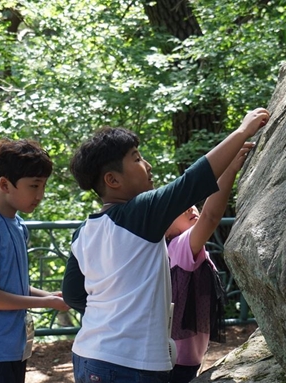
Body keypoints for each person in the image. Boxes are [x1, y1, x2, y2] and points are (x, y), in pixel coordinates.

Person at [62, 108, 270, 383]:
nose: (147, 165)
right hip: (131, 364)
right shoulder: (140, 212)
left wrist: (111, 315)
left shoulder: (84, 231)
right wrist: (243, 130)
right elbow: (192, 182)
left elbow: (73, 294)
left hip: (88, 355)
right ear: (113, 180)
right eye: (136, 158)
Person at [0, 138, 70, 383]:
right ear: (4, 184)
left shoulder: (18, 225)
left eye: (43, 186)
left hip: (13, 346)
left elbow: (11, 285)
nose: (40, 195)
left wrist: (49, 296)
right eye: (34, 186)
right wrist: (48, 303)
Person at [165, 143, 254, 383]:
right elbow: (211, 216)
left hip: (178, 360)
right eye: (179, 207)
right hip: (177, 365)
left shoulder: (176, 249)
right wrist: (229, 169)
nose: (190, 206)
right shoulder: (180, 246)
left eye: (190, 201)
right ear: (164, 228)